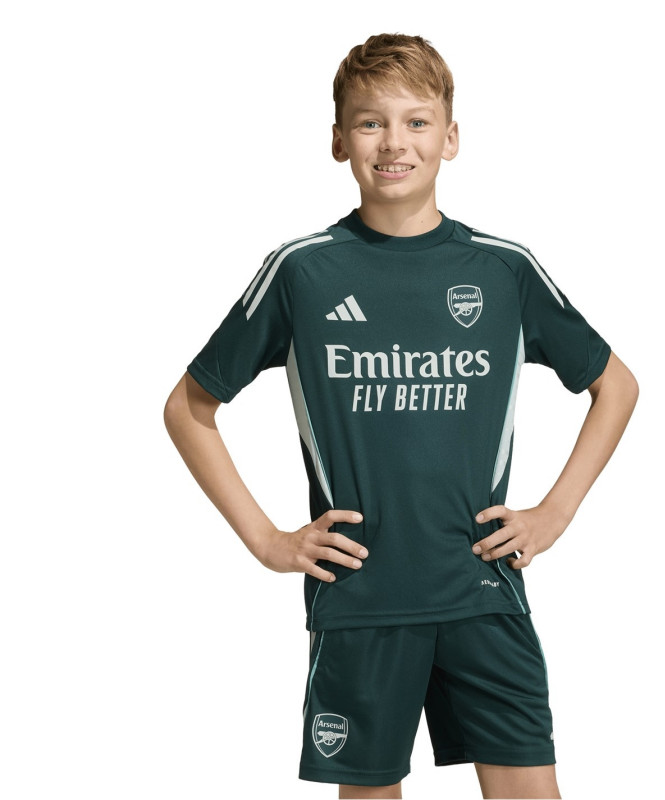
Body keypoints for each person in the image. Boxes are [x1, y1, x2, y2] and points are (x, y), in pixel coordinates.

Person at [164, 33, 638, 800]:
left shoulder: (503, 269)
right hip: (360, 601)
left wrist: (555, 512)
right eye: (370, 122)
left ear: (450, 138)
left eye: (417, 122)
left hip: (483, 590)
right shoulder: (303, 271)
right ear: (338, 140)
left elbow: (616, 386)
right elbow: (189, 408)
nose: (394, 142)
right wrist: (267, 541)